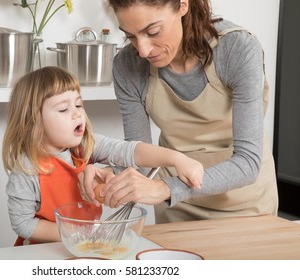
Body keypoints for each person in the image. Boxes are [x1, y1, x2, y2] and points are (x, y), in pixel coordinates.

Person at [80, 0, 278, 223]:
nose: (142, 50)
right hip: (176, 206)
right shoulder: (127, 65)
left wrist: (167, 188)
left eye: (153, 31)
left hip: (244, 203)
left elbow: (247, 163)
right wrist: (113, 175)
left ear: (183, 5)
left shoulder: (236, 49)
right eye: (131, 36)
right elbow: (140, 159)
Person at [1, 66, 203, 245]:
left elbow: (130, 151)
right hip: (43, 253)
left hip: (85, 246)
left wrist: (177, 159)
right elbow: (23, 224)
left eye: (78, 105)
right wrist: (79, 232)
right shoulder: (27, 169)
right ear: (33, 122)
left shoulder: (85, 146)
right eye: (64, 109)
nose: (77, 113)